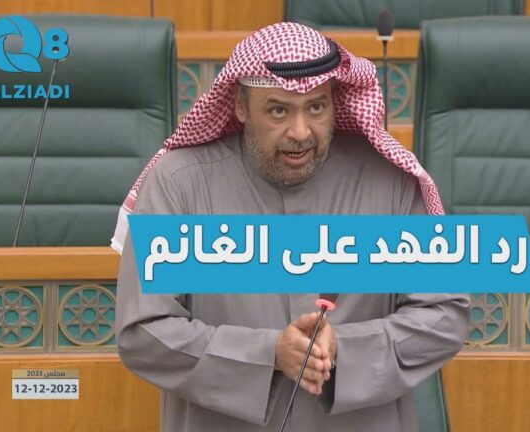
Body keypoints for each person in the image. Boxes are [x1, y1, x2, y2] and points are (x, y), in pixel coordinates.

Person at [113, 22, 470, 432]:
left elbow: (444, 314)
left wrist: (343, 348)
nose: (300, 132)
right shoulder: (180, 184)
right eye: (279, 110)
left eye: (316, 108)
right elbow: (144, 331)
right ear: (241, 106)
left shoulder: (390, 183)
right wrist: (267, 353)